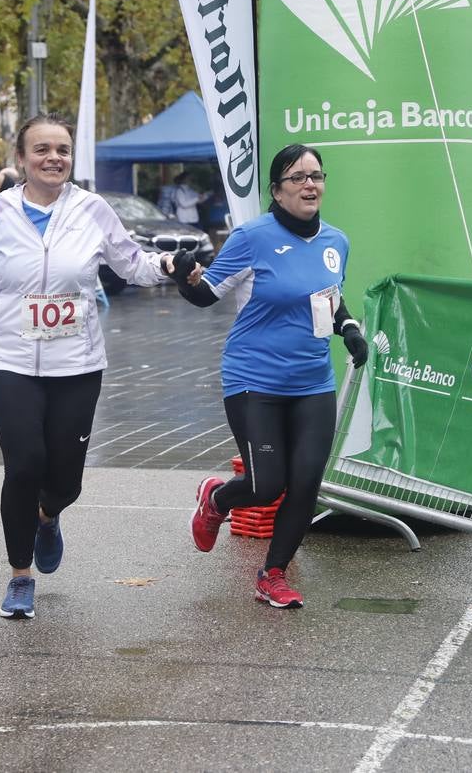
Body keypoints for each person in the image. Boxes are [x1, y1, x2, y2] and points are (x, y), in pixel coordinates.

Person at [0, 113, 177, 619]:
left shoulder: (93, 209)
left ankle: (48, 515)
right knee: (23, 466)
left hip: (77, 363)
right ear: (21, 159)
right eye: (41, 149)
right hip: (9, 360)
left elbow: (133, 264)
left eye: (61, 149)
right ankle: (20, 576)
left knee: (66, 481)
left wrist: (168, 265)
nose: (53, 158)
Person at [164, 144, 368, 610]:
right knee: (265, 485)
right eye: (297, 177)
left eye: (316, 175)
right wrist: (182, 276)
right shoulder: (252, 237)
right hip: (254, 379)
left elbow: (329, 298)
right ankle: (217, 499)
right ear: (276, 191)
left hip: (313, 381)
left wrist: (349, 328)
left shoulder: (337, 241)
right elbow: (206, 294)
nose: (309, 184)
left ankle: (272, 574)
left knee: (306, 484)